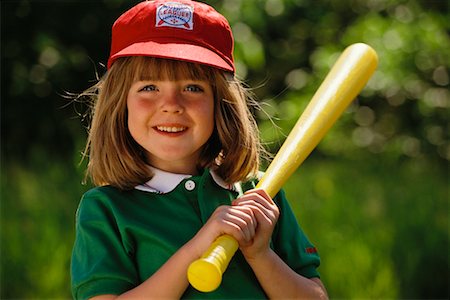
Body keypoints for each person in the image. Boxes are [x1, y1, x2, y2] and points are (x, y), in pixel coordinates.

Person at [71, 0, 328, 299]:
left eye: (193, 87)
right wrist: (197, 247)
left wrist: (260, 254)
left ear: (222, 104)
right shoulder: (106, 209)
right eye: (149, 88)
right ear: (120, 104)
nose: (170, 105)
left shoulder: (260, 193)